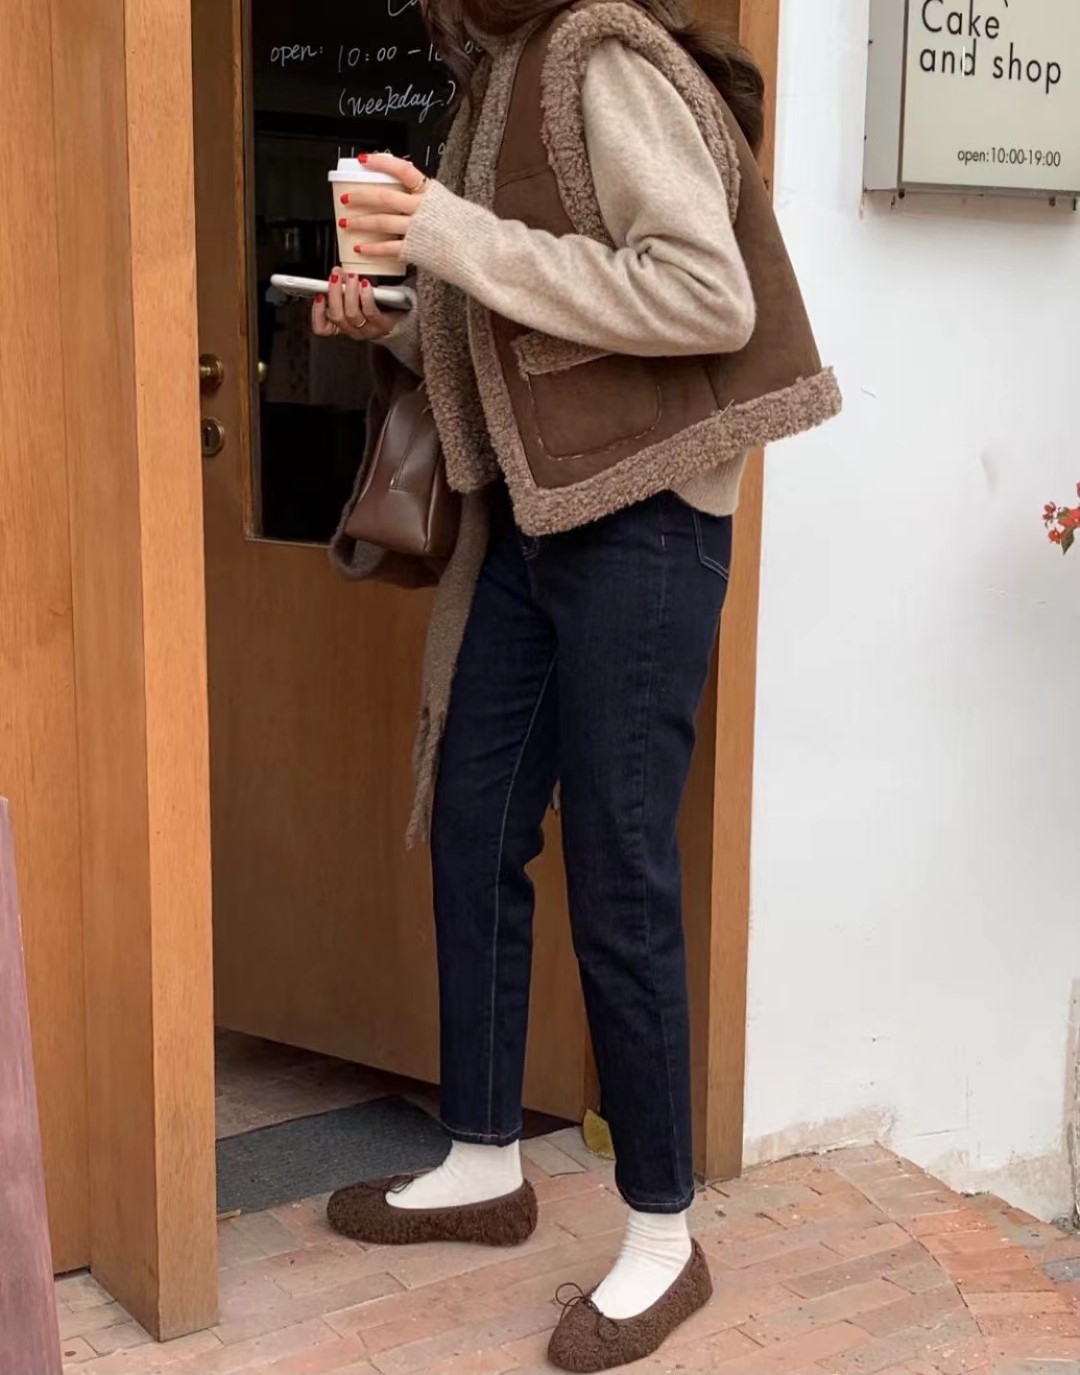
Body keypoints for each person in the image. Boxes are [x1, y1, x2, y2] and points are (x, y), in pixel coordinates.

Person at [312, 0, 840, 1367]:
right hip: (539, 516)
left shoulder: (600, 57)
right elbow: (516, 323)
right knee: (475, 820)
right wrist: (392, 318)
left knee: (620, 869)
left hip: (645, 516)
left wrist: (444, 233)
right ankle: (486, 1157)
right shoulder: (499, 74)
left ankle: (664, 1231)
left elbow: (705, 294)